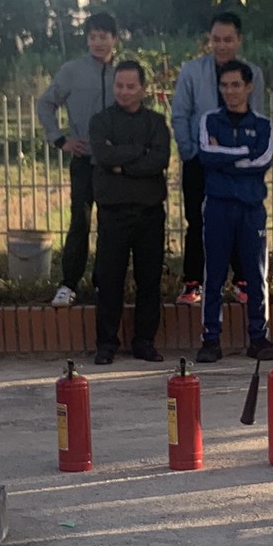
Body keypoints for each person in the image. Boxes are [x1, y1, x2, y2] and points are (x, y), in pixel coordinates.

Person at [168, 10, 265, 311]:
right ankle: (193, 281)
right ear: (208, 39)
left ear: (239, 40)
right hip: (201, 160)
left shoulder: (253, 73)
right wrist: (190, 152)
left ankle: (242, 280)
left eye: (228, 39)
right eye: (216, 39)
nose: (221, 45)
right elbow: (180, 114)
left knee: (240, 217)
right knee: (198, 219)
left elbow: (257, 116)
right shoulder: (191, 71)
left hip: (240, 162)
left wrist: (248, 153)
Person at [194, 60, 273, 363]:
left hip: (251, 209)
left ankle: (259, 338)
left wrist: (226, 156)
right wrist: (244, 151)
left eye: (236, 85)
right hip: (217, 207)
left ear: (249, 87)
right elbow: (206, 154)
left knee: (256, 274)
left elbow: (263, 160)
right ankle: (210, 340)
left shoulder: (263, 125)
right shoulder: (209, 120)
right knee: (214, 274)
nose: (230, 91)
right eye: (225, 85)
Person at [36, 11, 121, 310]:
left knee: (110, 224)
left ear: (114, 39)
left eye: (103, 37)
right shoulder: (72, 70)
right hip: (84, 160)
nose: (98, 42)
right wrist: (60, 139)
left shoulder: (122, 73)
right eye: (93, 37)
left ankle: (103, 281)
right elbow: (45, 103)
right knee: (79, 223)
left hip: (114, 164)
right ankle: (69, 283)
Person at [88, 59, 171, 364]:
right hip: (113, 213)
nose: (124, 91)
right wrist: (140, 151)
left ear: (143, 89)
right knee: (109, 280)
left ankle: (145, 342)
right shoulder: (101, 121)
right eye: (119, 86)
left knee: (149, 280)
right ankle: (106, 344)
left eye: (130, 86)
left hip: (149, 213)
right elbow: (103, 155)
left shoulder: (156, 123)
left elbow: (159, 160)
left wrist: (121, 164)